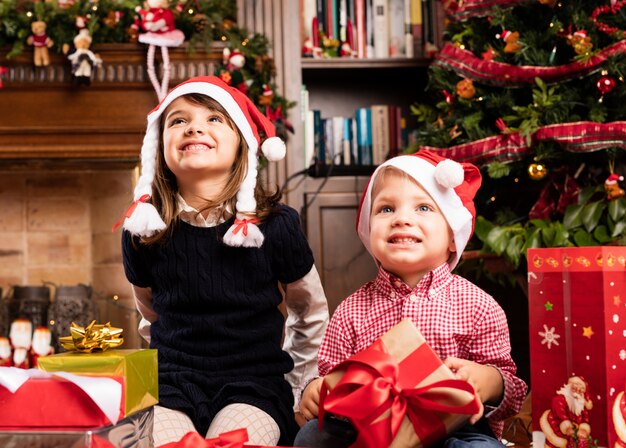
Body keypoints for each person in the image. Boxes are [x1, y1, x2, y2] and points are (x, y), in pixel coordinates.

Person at [117, 75, 329, 446]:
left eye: (214, 119)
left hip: (253, 385)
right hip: (171, 384)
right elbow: (150, 313)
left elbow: (309, 313)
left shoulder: (276, 226)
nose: (194, 126)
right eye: (178, 120)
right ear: (158, 147)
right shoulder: (142, 231)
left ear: (242, 144)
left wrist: (299, 386)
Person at [295, 150, 528, 447]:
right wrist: (314, 389)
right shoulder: (352, 310)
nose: (402, 219)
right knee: (312, 436)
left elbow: (510, 385)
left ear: (452, 239)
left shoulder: (478, 306)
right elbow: (330, 372)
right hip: (372, 428)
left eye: (424, 208)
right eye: (386, 209)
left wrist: (489, 381)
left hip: (453, 428)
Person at [540, 376, 593, 448]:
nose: (577, 391)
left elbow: (585, 418)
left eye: (581, 390)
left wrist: (583, 429)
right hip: (557, 424)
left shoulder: (581, 404)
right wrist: (567, 427)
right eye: (574, 388)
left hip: (574, 430)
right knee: (555, 441)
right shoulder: (559, 399)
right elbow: (560, 413)